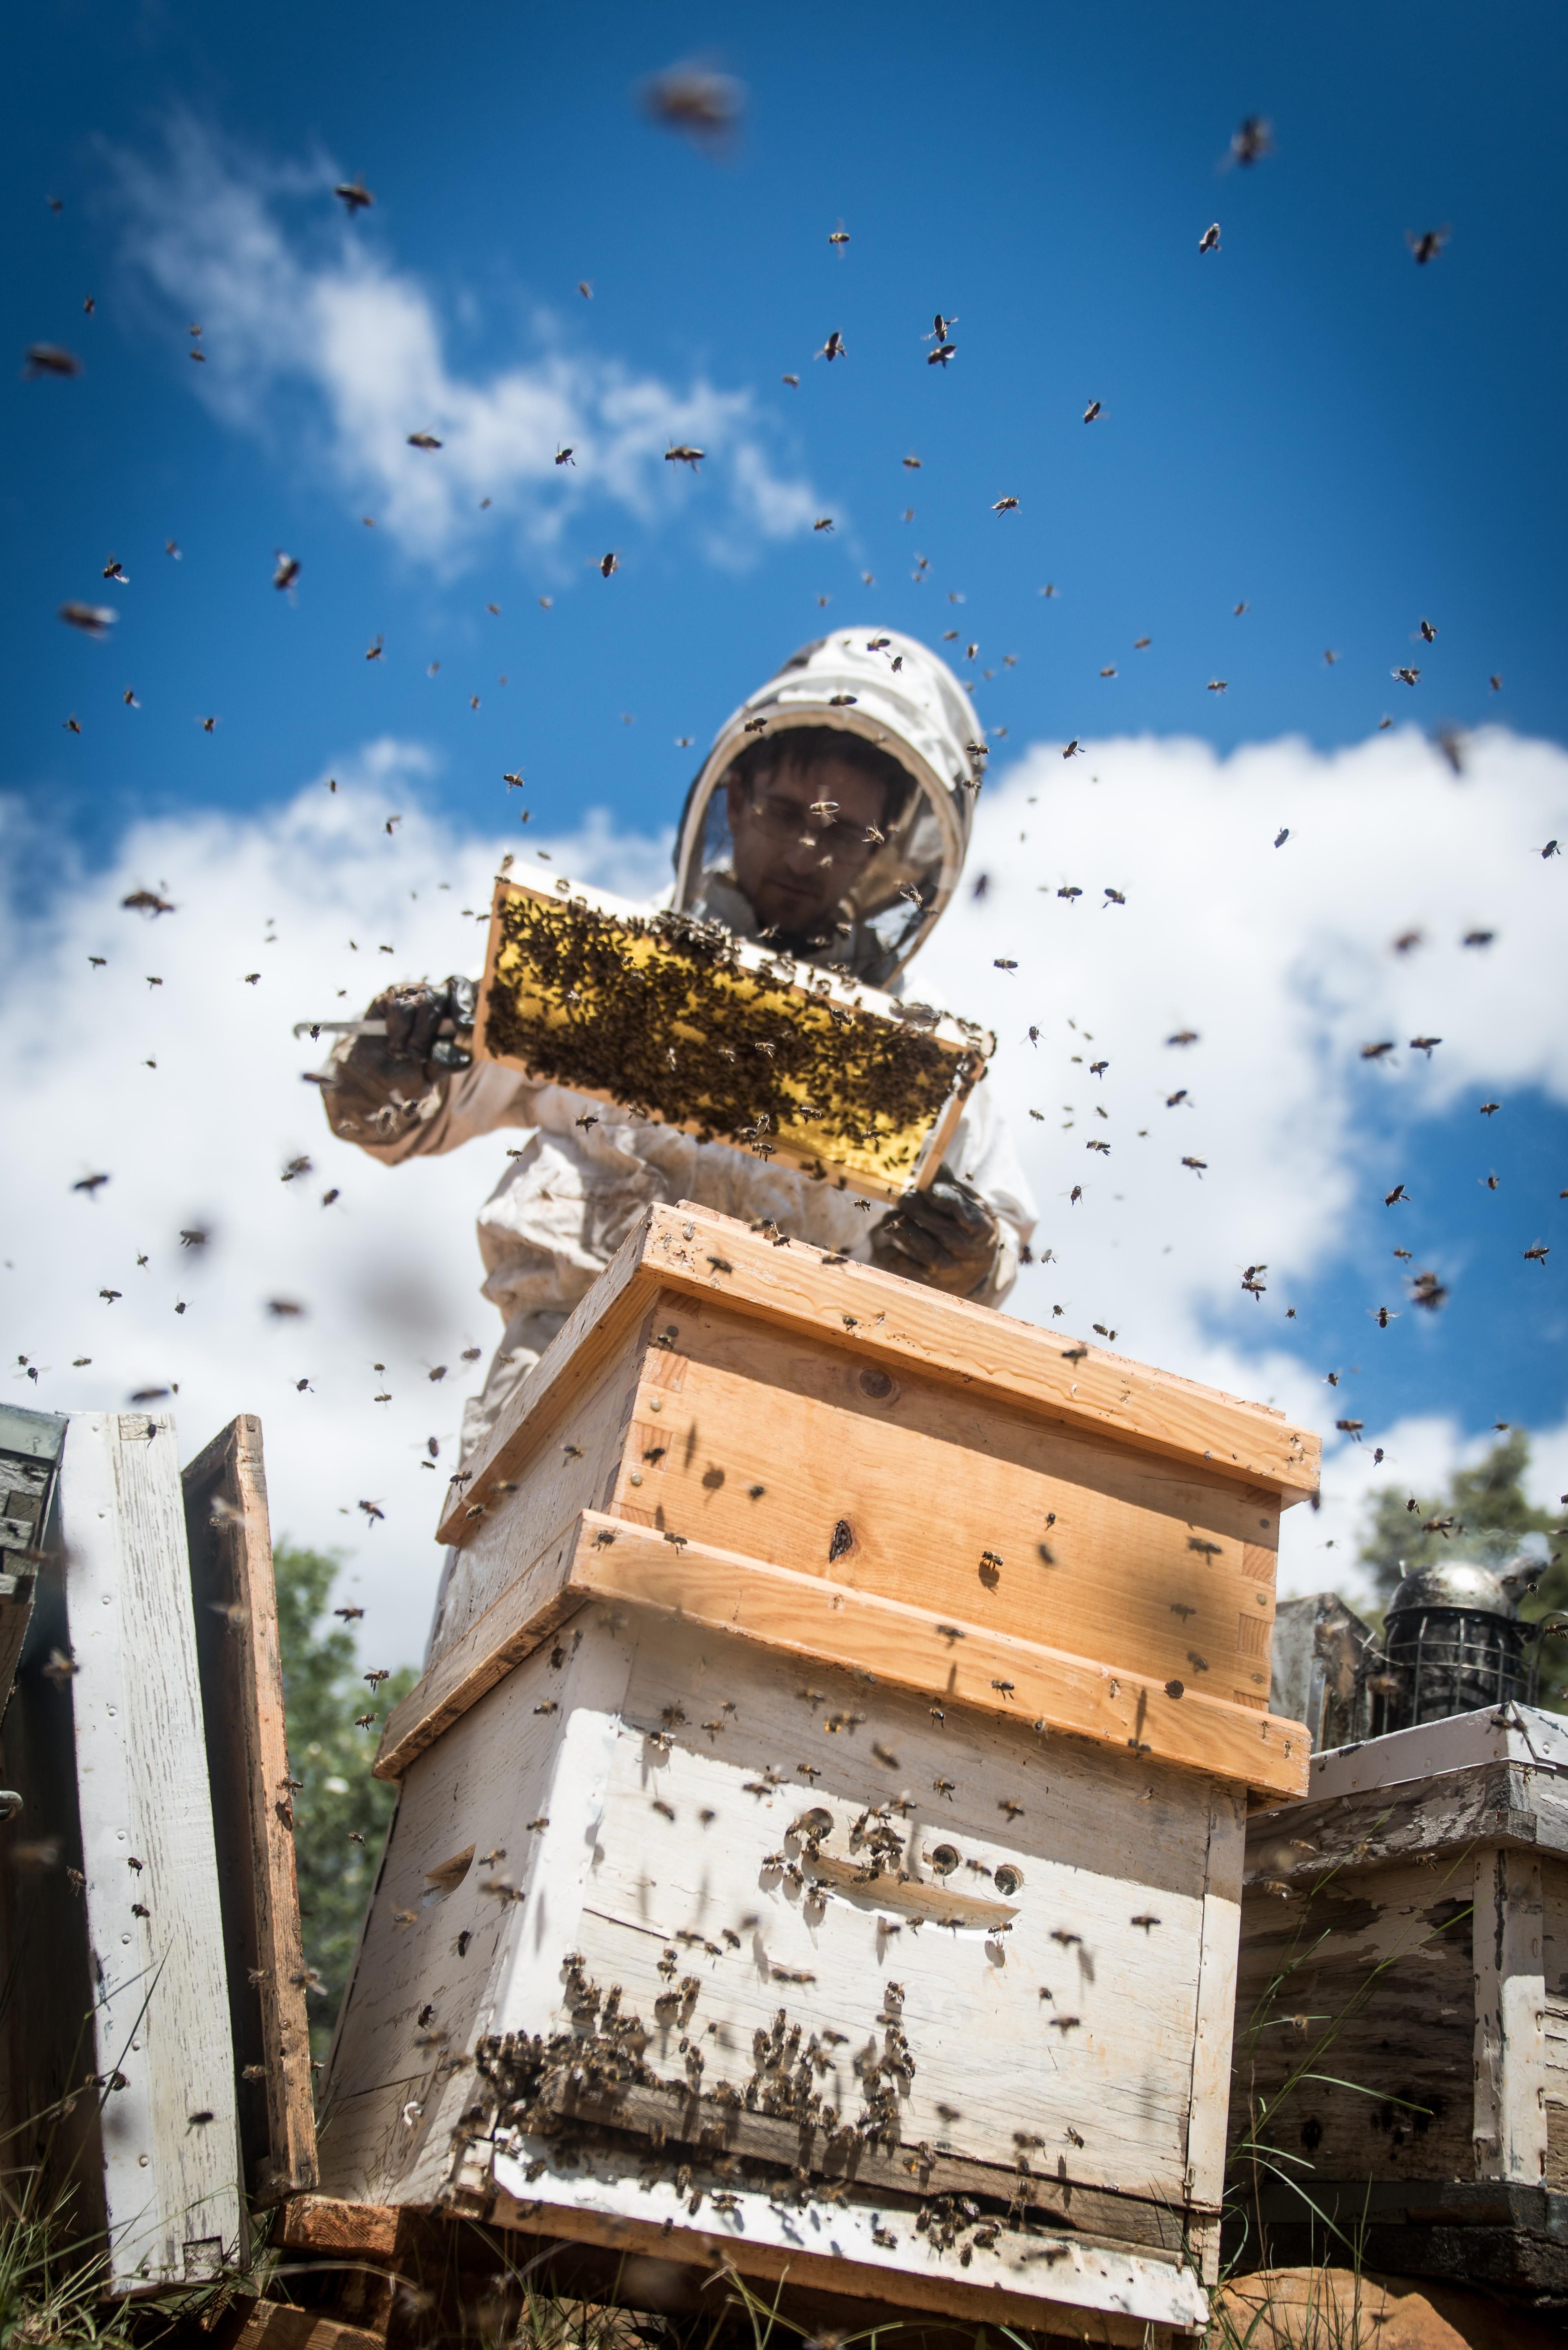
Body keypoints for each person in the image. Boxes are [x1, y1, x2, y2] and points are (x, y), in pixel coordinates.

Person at [322, 629, 1037, 1487]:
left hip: (808, 1421)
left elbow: (994, 1246)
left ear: (883, 848)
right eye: (785, 815)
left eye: (844, 831)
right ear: (733, 801)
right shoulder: (605, 966)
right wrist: (388, 1065)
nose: (809, 852)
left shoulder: (920, 1064)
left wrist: (968, 1257)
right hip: (563, 1382)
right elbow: (404, 1118)